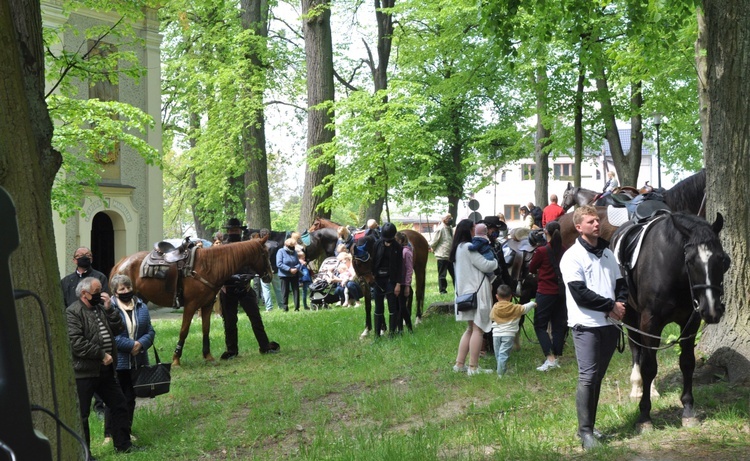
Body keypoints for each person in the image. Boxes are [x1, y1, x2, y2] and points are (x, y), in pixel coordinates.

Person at [559, 205, 627, 450]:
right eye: (590, 222)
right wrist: (610, 306)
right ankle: (585, 432)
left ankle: (591, 426)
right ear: (579, 227)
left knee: (597, 377)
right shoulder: (572, 256)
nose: (597, 224)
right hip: (585, 325)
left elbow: (621, 283)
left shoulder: (608, 253)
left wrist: (620, 303)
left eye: (597, 220)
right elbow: (580, 293)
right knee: (588, 377)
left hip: (609, 324)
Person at [66, 277, 138, 454]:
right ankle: (85, 454)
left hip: (105, 371)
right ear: (84, 294)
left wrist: (110, 309)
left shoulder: (100, 308)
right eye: (97, 292)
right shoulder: (73, 312)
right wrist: (101, 354)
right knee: (82, 415)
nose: (101, 295)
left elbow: (118, 329)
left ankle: (123, 445)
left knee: (119, 404)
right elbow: (76, 343)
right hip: (84, 372)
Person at [103, 274, 155, 445]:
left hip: (137, 360)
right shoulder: (109, 308)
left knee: (130, 398)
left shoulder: (141, 306)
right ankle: (109, 434)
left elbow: (150, 331)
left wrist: (140, 344)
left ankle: (127, 430)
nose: (126, 291)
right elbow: (110, 336)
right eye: (122, 289)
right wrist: (131, 345)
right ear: (115, 292)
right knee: (115, 398)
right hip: (118, 362)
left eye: (128, 288)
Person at [219, 218, 280, 358]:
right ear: (228, 231)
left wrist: (248, 276)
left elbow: (255, 264)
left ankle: (264, 346)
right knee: (229, 322)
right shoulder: (222, 248)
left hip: (245, 287)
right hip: (227, 289)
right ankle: (232, 350)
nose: (234, 232)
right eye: (232, 230)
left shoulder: (247, 246)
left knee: (256, 319)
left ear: (240, 231)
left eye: (236, 230)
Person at [450, 219, 498, 376]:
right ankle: (473, 367)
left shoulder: (457, 248)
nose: (474, 231)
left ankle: (459, 364)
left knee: (470, 329)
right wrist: (495, 262)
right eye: (473, 228)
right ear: (469, 230)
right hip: (477, 293)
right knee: (478, 329)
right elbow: (487, 265)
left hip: (464, 294)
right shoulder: (469, 248)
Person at [528, 221, 568, 372]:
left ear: (546, 232)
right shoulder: (564, 249)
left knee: (540, 325)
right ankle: (556, 357)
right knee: (559, 325)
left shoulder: (542, 251)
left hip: (545, 292)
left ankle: (550, 358)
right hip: (561, 292)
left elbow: (532, 267)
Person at [490, 284, 536, 376]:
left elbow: (491, 317)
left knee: (498, 354)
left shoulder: (495, 307)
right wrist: (533, 304)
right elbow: (525, 308)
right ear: (511, 296)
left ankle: (501, 370)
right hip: (508, 335)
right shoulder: (515, 308)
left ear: (497, 296)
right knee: (503, 354)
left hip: (496, 334)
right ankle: (501, 373)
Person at [371, 222, 402, 337]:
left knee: (392, 306)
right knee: (378, 307)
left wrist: (398, 284)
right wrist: (372, 275)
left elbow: (400, 267)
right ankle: (377, 334)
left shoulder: (398, 247)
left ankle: (392, 333)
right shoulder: (377, 244)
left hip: (391, 279)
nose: (387, 241)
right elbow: (373, 261)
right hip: (378, 279)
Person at [430, 213, 455, 295]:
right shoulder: (440, 229)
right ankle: (443, 290)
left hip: (450, 255)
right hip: (442, 255)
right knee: (442, 275)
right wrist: (431, 248)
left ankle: (457, 288)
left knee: (454, 274)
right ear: (444, 220)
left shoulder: (450, 228)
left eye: (451, 217)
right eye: (448, 218)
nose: (450, 219)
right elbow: (434, 241)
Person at [259, 228, 283, 312]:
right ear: (269, 234)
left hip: (264, 270)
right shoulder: (276, 244)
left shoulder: (259, 245)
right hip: (275, 269)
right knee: (278, 289)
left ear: (261, 235)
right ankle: (281, 305)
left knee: (266, 289)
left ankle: (269, 308)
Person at [395, 232, 414, 333]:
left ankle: (409, 327)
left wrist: (407, 285)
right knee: (398, 307)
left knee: (402, 306)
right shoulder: (398, 251)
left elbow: (409, 269)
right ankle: (400, 329)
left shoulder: (406, 252)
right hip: (398, 283)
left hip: (404, 284)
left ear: (401, 240)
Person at [277, 237, 302, 311]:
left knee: (296, 290)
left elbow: (298, 263)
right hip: (284, 275)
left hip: (294, 274)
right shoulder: (280, 251)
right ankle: (285, 307)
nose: (293, 248)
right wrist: (289, 269)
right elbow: (279, 263)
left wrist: (296, 268)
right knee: (285, 291)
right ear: (287, 246)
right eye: (292, 246)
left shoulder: (294, 252)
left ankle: (297, 307)